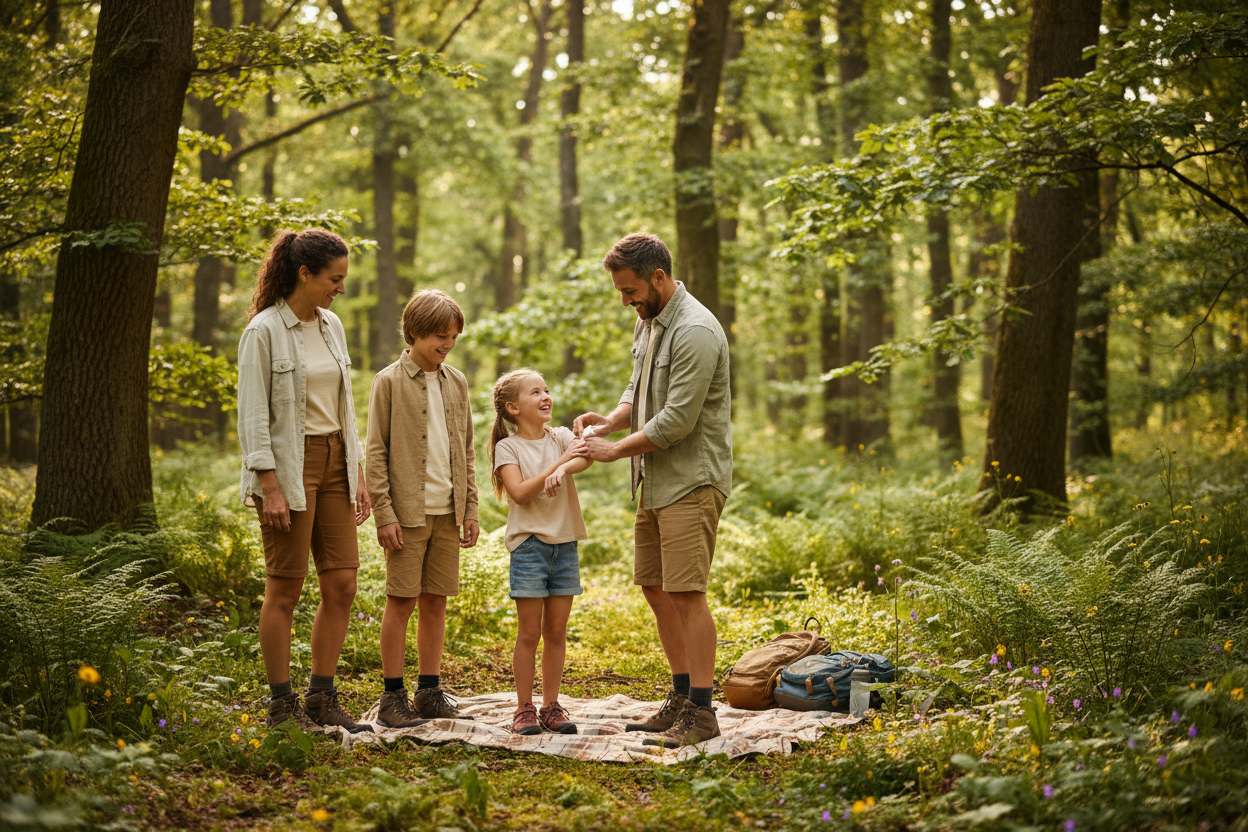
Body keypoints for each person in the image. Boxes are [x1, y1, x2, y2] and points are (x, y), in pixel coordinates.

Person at [571, 233, 732, 747]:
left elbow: (678, 420)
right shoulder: (650, 323)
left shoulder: (696, 331)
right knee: (656, 587)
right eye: (620, 291)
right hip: (655, 482)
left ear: (658, 277)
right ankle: (682, 698)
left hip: (691, 479)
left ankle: (703, 716)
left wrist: (614, 451)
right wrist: (610, 422)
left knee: (687, 593)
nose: (626, 300)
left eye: (630, 290)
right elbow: (636, 389)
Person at [237, 229, 373, 734]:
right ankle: (281, 705)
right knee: (285, 588)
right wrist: (268, 485)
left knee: (342, 583)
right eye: (334, 279)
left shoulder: (332, 325)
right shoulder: (264, 331)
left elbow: (345, 405)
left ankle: (321, 696)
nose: (340, 288)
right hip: (287, 468)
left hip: (336, 461)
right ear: (304, 273)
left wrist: (356, 470)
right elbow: (252, 416)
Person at [367, 289, 480, 727]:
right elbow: (376, 453)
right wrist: (385, 514)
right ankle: (392, 697)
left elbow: (466, 450)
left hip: (447, 513)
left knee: (436, 602)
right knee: (402, 602)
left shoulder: (457, 382)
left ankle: (429, 690)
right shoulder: (389, 381)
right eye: (439, 336)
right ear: (412, 332)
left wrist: (469, 508)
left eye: (453, 337)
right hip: (407, 516)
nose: (447, 344)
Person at [489, 369, 592, 735]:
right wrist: (556, 466)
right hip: (529, 547)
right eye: (536, 392)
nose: (546, 396)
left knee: (557, 632)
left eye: (546, 389)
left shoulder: (561, 435)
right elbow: (519, 492)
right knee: (529, 633)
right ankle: (523, 708)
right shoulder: (509, 447)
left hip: (564, 544)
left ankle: (551, 705)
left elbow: (584, 456)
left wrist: (564, 468)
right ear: (513, 408)